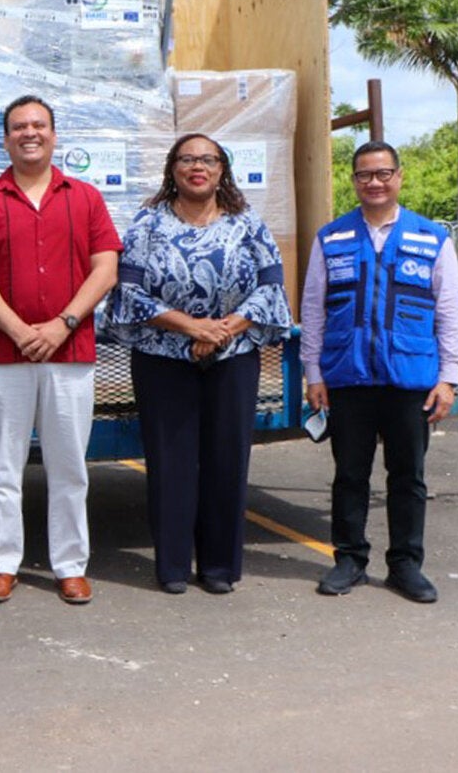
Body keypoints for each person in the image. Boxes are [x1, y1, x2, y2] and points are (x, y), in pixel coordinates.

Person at [104, 133, 291, 595]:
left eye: (207, 159)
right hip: (163, 357)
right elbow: (128, 291)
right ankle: (171, 566)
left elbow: (271, 285)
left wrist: (223, 330)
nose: (197, 167)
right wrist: (191, 328)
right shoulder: (148, 224)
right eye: (187, 159)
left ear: (222, 169)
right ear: (172, 169)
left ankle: (220, 567)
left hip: (233, 354)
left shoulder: (247, 224)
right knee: (171, 462)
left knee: (227, 459)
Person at [0, 95, 121, 605]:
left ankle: (70, 565)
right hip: (1, 356)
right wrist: (20, 329)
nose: (30, 133)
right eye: (19, 127)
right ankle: (2, 564)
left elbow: (106, 267)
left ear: (54, 134)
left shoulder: (85, 197)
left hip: (69, 354)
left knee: (69, 465)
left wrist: (62, 324)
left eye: (39, 125)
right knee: (2, 465)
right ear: (5, 139)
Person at [303, 140, 458, 603]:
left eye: (383, 173)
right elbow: (313, 309)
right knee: (349, 475)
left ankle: (406, 565)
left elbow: (449, 311)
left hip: (410, 380)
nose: (374, 182)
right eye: (364, 175)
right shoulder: (330, 238)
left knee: (408, 476)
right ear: (353, 181)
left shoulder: (432, 237)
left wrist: (448, 378)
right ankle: (349, 561)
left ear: (399, 177)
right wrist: (314, 372)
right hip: (348, 378)